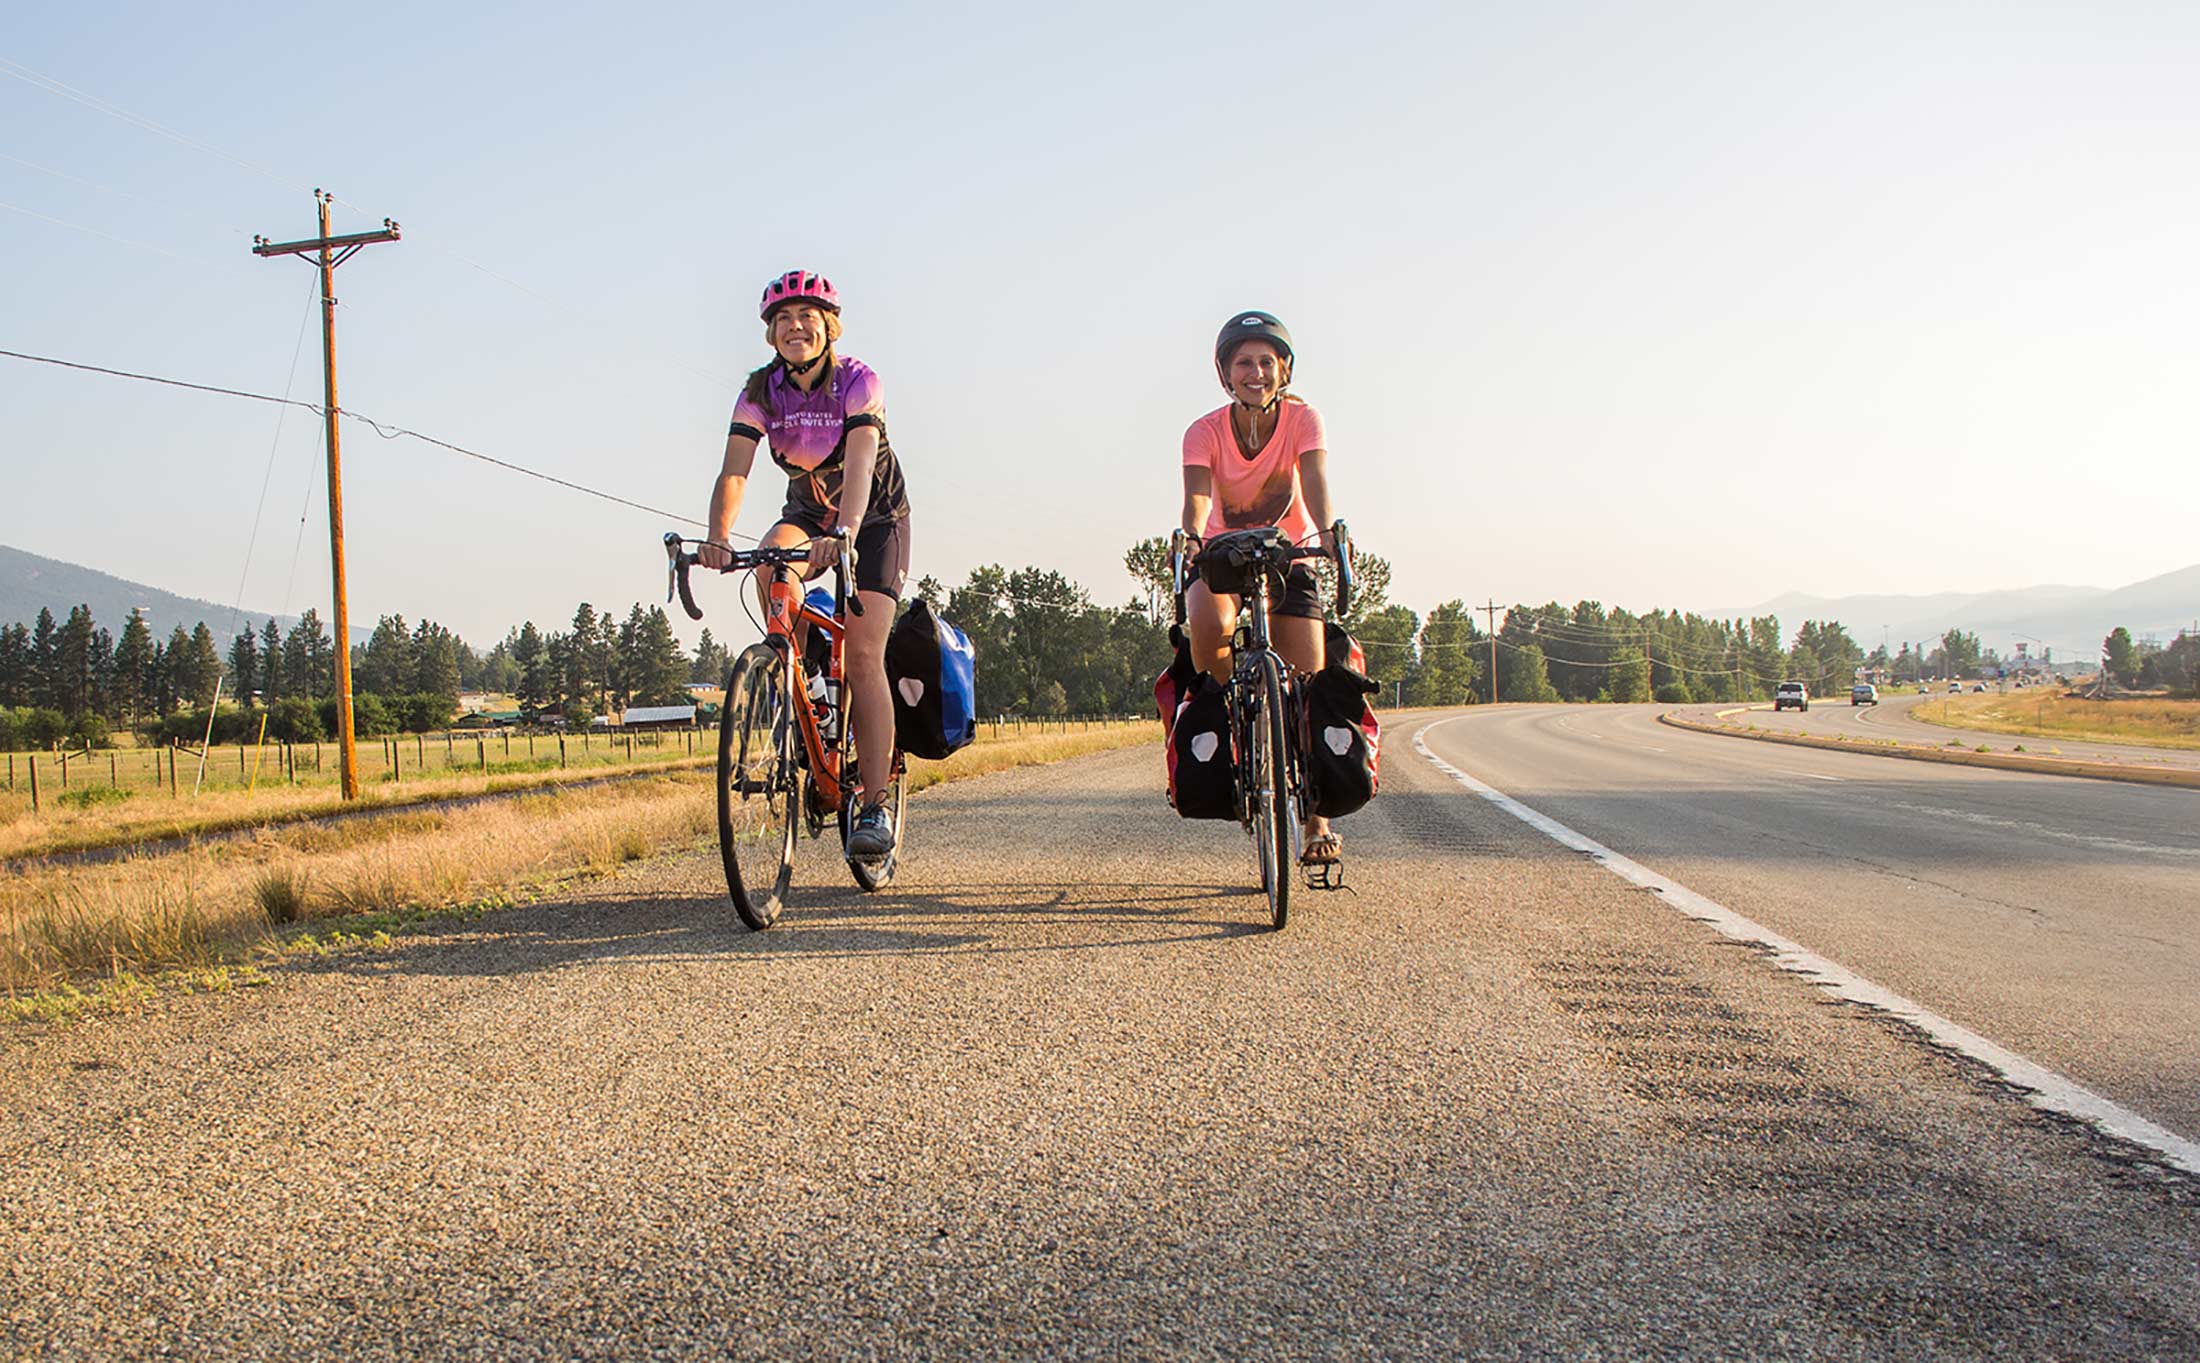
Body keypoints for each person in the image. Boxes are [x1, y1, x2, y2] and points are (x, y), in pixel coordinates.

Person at [699, 270, 911, 858]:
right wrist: (718, 535)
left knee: (866, 653)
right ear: (771, 334)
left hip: (874, 522)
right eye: (783, 320)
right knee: (769, 568)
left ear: (829, 327)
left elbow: (863, 465)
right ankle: (804, 681)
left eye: (807, 318)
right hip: (808, 512)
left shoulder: (858, 382)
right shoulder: (761, 393)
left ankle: (873, 804)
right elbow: (734, 470)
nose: (795, 327)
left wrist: (844, 532)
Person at [1180, 309, 1344, 865]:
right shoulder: (1203, 431)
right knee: (1209, 622)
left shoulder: (1304, 421)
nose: (1256, 372)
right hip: (1223, 554)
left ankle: (1316, 819)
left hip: (1288, 553)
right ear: (1225, 374)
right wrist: (1191, 537)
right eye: (1243, 363)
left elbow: (1316, 485)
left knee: (1310, 685)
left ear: (1285, 371)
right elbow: (1198, 499)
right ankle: (1229, 715)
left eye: (1266, 362)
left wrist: (1326, 534)